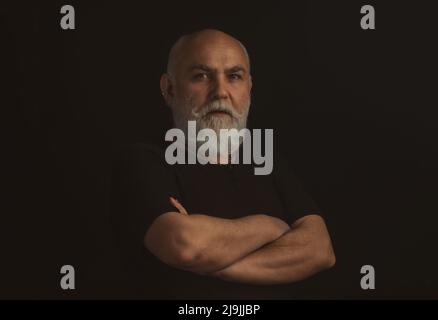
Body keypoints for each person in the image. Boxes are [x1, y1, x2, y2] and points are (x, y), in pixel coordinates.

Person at [111, 29, 335, 299]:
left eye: (234, 76)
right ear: (169, 89)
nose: (220, 92)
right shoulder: (143, 161)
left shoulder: (266, 161)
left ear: (249, 89)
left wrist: (208, 262)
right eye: (201, 76)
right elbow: (185, 245)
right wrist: (270, 226)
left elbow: (320, 250)